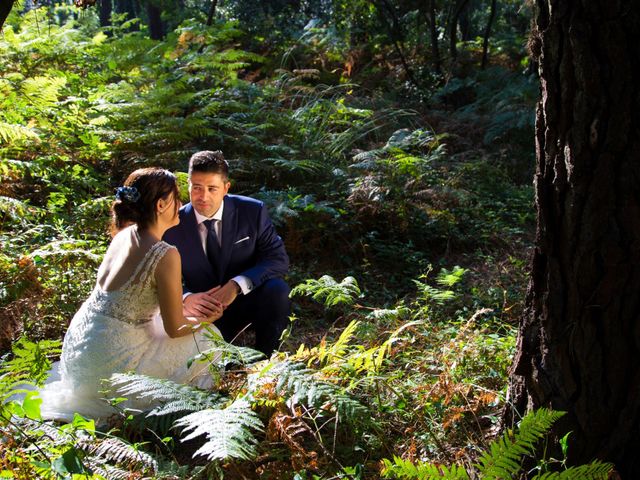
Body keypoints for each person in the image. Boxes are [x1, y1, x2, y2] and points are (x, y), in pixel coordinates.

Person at [38, 167, 223, 423]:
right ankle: (185, 416)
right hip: (114, 361)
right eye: (176, 198)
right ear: (161, 205)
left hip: (82, 346)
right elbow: (175, 327)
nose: (181, 205)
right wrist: (208, 319)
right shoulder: (165, 254)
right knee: (209, 338)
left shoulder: (123, 236)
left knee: (163, 325)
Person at [163, 151, 290, 356]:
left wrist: (236, 285)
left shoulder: (252, 211)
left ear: (226, 188)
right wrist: (186, 297)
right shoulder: (171, 224)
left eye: (212, 188)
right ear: (188, 185)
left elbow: (277, 259)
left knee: (278, 290)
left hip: (245, 300)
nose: (203, 197)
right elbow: (157, 275)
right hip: (200, 310)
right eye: (197, 187)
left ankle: (267, 359)